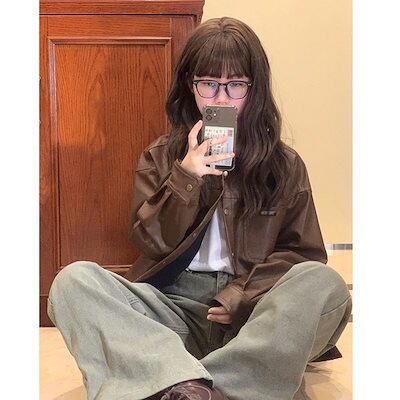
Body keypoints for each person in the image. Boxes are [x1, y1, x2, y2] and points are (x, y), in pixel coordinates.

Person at [47, 17, 352, 400]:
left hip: (254, 316)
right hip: (172, 310)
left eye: (236, 85)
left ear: (254, 89)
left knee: (324, 284)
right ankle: (227, 382)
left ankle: (183, 384)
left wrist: (241, 295)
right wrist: (185, 177)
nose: (221, 99)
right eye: (209, 84)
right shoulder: (160, 156)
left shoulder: (284, 165)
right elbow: (149, 242)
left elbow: (303, 253)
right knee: (73, 281)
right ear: (189, 87)